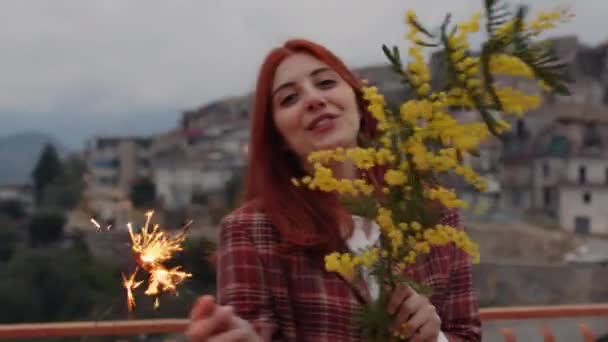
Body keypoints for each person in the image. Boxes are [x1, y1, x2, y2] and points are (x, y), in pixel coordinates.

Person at [185, 39, 481, 342]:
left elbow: (466, 333)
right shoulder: (250, 231)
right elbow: (248, 331)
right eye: (289, 99)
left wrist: (435, 338)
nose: (314, 99)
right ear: (279, 137)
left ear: (358, 101)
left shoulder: (433, 211)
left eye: (326, 83)